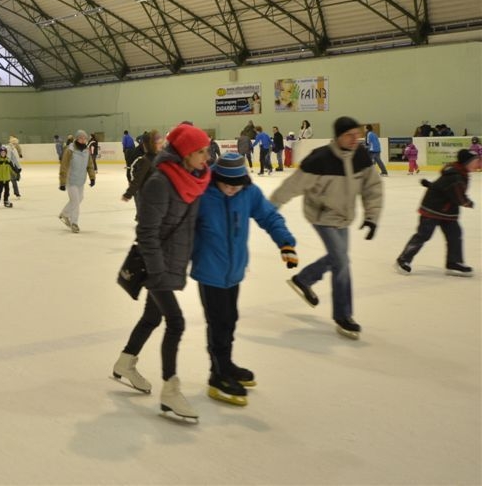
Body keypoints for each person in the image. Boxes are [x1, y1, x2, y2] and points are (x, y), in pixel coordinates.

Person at [110, 122, 211, 422]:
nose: (206, 157)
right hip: (158, 266)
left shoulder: (193, 178)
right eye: (200, 151)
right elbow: (147, 231)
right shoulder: (161, 182)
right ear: (184, 153)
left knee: (152, 317)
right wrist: (158, 273)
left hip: (173, 261)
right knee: (176, 322)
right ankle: (170, 391)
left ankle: (125, 362)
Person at [189, 153, 298, 406]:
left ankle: (226, 364)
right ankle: (218, 375)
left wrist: (286, 243)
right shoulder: (203, 193)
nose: (231, 189)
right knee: (219, 324)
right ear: (217, 178)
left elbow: (270, 217)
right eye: (227, 184)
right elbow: (179, 226)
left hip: (234, 272)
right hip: (210, 272)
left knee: (230, 320)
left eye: (236, 185)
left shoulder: (248, 193)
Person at [270, 116, 383, 340]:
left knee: (339, 258)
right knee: (341, 260)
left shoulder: (360, 155)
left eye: (357, 134)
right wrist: (269, 208)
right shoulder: (320, 159)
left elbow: (372, 187)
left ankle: (304, 280)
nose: (355, 139)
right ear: (338, 136)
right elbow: (292, 185)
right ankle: (343, 315)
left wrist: (372, 216)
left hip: (343, 216)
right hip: (320, 215)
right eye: (349, 135)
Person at [395, 149, 479, 277]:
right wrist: (468, 203)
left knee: (455, 235)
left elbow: (441, 186)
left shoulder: (459, 173)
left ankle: (454, 262)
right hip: (432, 209)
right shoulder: (455, 176)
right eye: (475, 161)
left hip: (447, 212)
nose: (478, 163)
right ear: (466, 162)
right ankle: (403, 259)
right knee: (423, 235)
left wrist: (429, 184)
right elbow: (458, 197)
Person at [58, 130, 96, 233]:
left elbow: (90, 165)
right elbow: (64, 166)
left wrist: (92, 177)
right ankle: (74, 223)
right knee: (75, 201)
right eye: (81, 138)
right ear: (77, 139)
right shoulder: (70, 150)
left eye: (85, 139)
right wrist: (62, 182)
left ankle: (64, 214)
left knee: (80, 198)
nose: (83, 140)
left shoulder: (86, 151)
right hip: (71, 181)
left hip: (80, 180)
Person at [122, 129, 162, 222]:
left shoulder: (160, 156)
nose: (161, 144)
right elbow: (137, 177)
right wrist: (129, 192)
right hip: (146, 194)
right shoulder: (145, 159)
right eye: (158, 142)